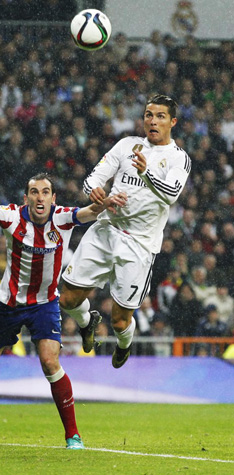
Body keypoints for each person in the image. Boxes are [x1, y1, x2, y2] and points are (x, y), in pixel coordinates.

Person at [0, 173, 126, 450]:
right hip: (8, 304)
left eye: (46, 192)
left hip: (44, 304)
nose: (40, 197)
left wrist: (106, 201)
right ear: (26, 197)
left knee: (50, 362)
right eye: (35, 192)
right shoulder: (12, 216)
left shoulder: (62, 218)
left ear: (54, 198)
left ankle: (73, 434)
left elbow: (90, 211)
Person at [59, 94, 191, 369]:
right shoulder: (126, 145)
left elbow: (171, 194)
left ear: (173, 122)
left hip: (140, 245)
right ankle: (87, 322)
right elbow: (92, 179)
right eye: (148, 115)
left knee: (120, 320)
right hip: (106, 230)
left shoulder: (179, 158)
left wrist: (147, 174)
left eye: (160, 116)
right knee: (68, 299)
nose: (152, 121)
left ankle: (124, 344)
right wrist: (94, 191)